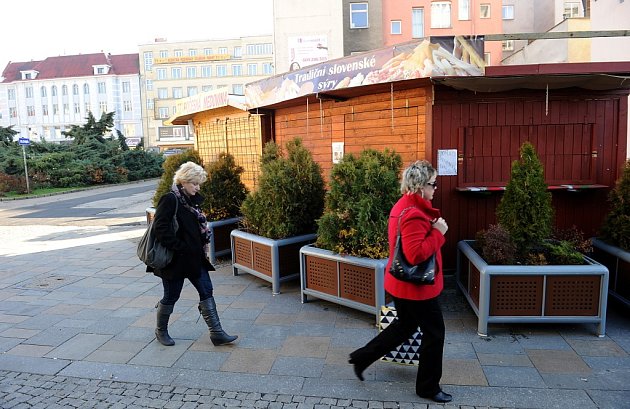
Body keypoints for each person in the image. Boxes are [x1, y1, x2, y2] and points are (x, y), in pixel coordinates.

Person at [348, 160, 451, 403]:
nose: (436, 189)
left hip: (402, 284)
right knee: (435, 334)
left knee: (404, 327)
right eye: (433, 184)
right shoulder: (414, 213)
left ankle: (362, 357)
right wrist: (439, 233)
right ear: (420, 187)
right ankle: (427, 387)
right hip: (416, 288)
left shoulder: (404, 205)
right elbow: (415, 254)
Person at [148, 161, 237, 347]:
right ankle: (161, 331)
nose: (198, 187)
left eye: (199, 184)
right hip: (175, 260)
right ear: (184, 181)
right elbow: (160, 228)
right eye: (194, 183)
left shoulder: (191, 200)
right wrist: (180, 247)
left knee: (206, 291)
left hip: (195, 259)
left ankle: (217, 333)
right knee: (171, 296)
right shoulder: (170, 199)